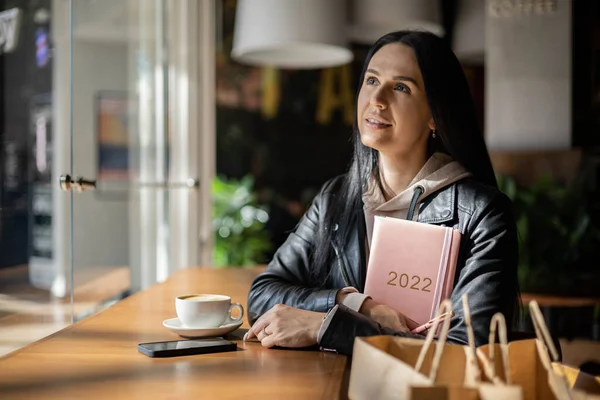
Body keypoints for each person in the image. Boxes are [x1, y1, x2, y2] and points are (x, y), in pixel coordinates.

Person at [244, 30, 519, 355]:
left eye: (401, 87)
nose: (377, 100)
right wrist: (356, 304)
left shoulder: (483, 214)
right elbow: (262, 297)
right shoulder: (336, 198)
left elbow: (465, 350)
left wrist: (326, 326)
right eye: (371, 81)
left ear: (435, 114)